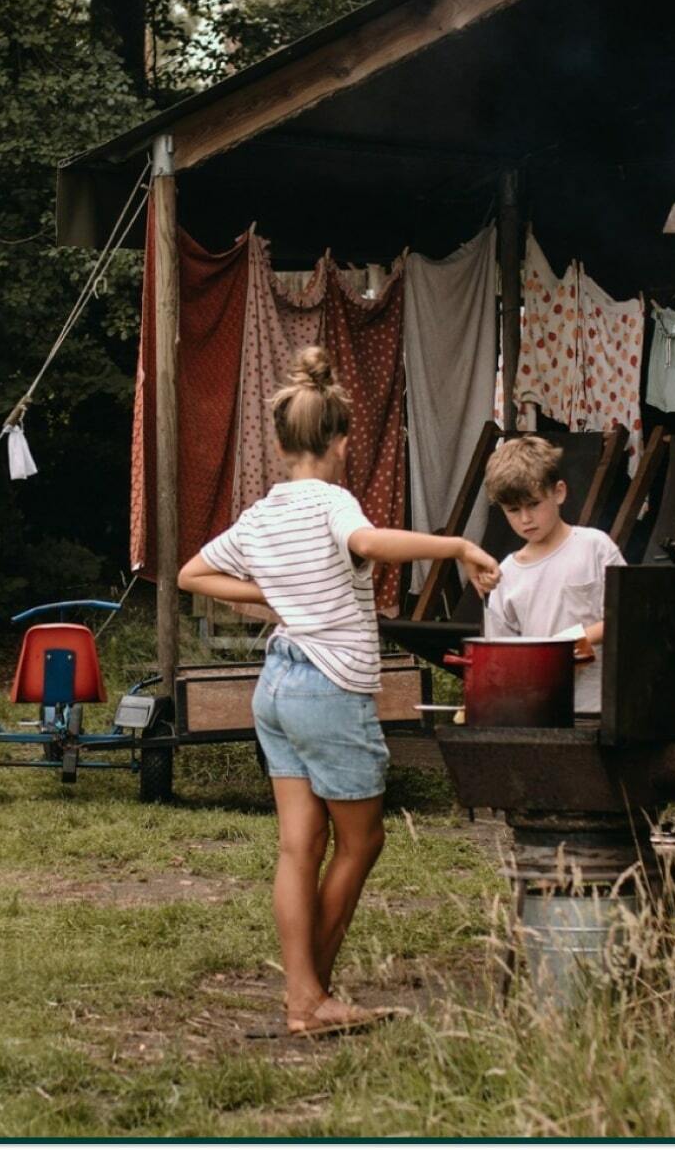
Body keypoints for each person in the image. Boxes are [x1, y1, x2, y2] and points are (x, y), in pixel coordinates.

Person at [179, 347, 501, 1037]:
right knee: (362, 842)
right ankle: (310, 997)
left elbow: (190, 574)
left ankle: (305, 997)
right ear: (341, 440)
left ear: (280, 441)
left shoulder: (262, 514)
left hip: (277, 685)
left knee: (301, 845)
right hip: (327, 687)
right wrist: (455, 548)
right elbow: (370, 541)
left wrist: (267, 594)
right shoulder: (332, 502)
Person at [479, 435, 626, 714]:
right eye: (513, 510)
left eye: (533, 504)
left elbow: (631, 616)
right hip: (539, 710)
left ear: (558, 492)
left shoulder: (595, 547)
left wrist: (575, 639)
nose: (525, 519)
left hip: (602, 706)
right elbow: (502, 656)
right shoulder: (506, 575)